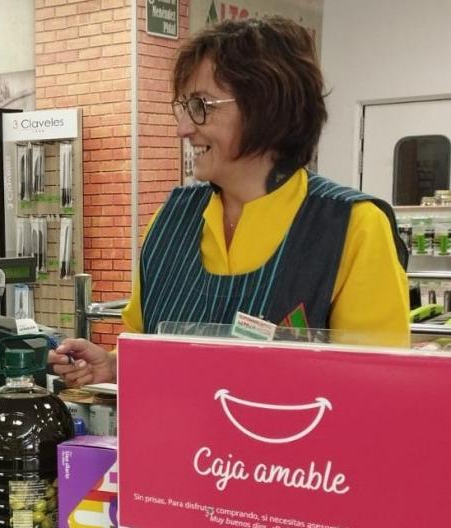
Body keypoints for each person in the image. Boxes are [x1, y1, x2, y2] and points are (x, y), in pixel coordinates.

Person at [51, 17, 409, 388]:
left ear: (268, 106)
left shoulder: (351, 227)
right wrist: (112, 367)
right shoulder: (170, 220)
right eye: (184, 107)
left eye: (202, 105)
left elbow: (377, 387)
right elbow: (148, 346)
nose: (184, 129)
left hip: (293, 443)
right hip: (176, 446)